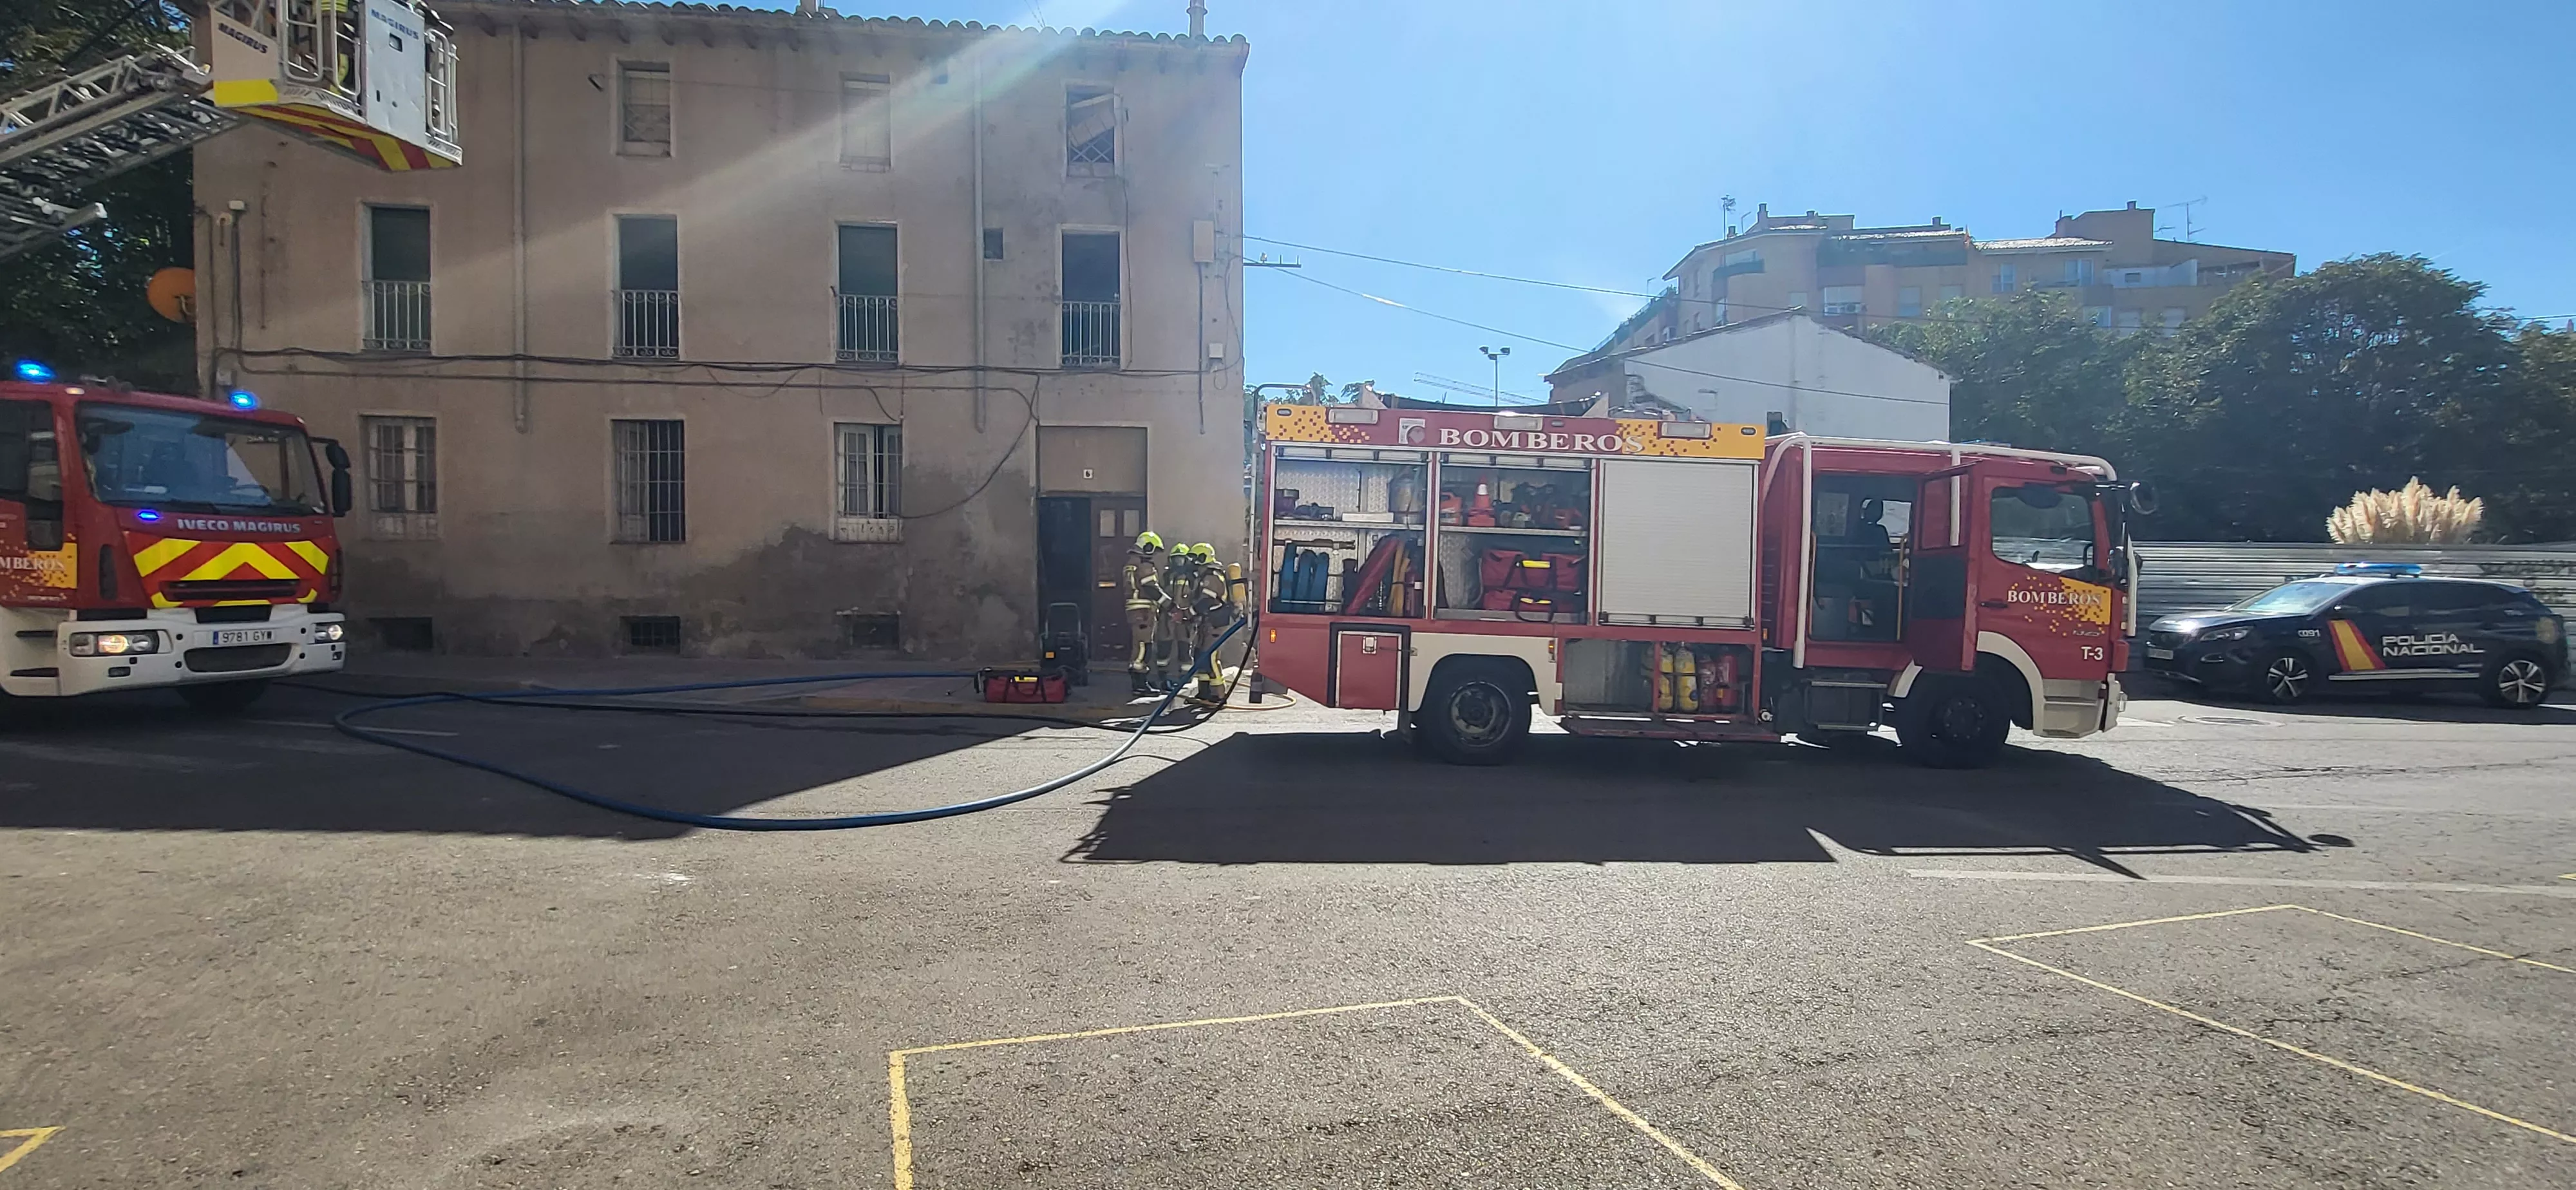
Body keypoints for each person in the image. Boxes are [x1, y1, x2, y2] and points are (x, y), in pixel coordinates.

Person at [1121, 532, 1169, 695]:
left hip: (1135, 610)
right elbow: (1151, 588)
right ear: (1148, 547)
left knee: (1139, 645)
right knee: (1144, 647)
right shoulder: (1144, 565)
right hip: (1143, 611)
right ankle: (1140, 684)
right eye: (1154, 550)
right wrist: (1168, 603)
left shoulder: (1131, 563)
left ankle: (1140, 682)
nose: (1154, 555)